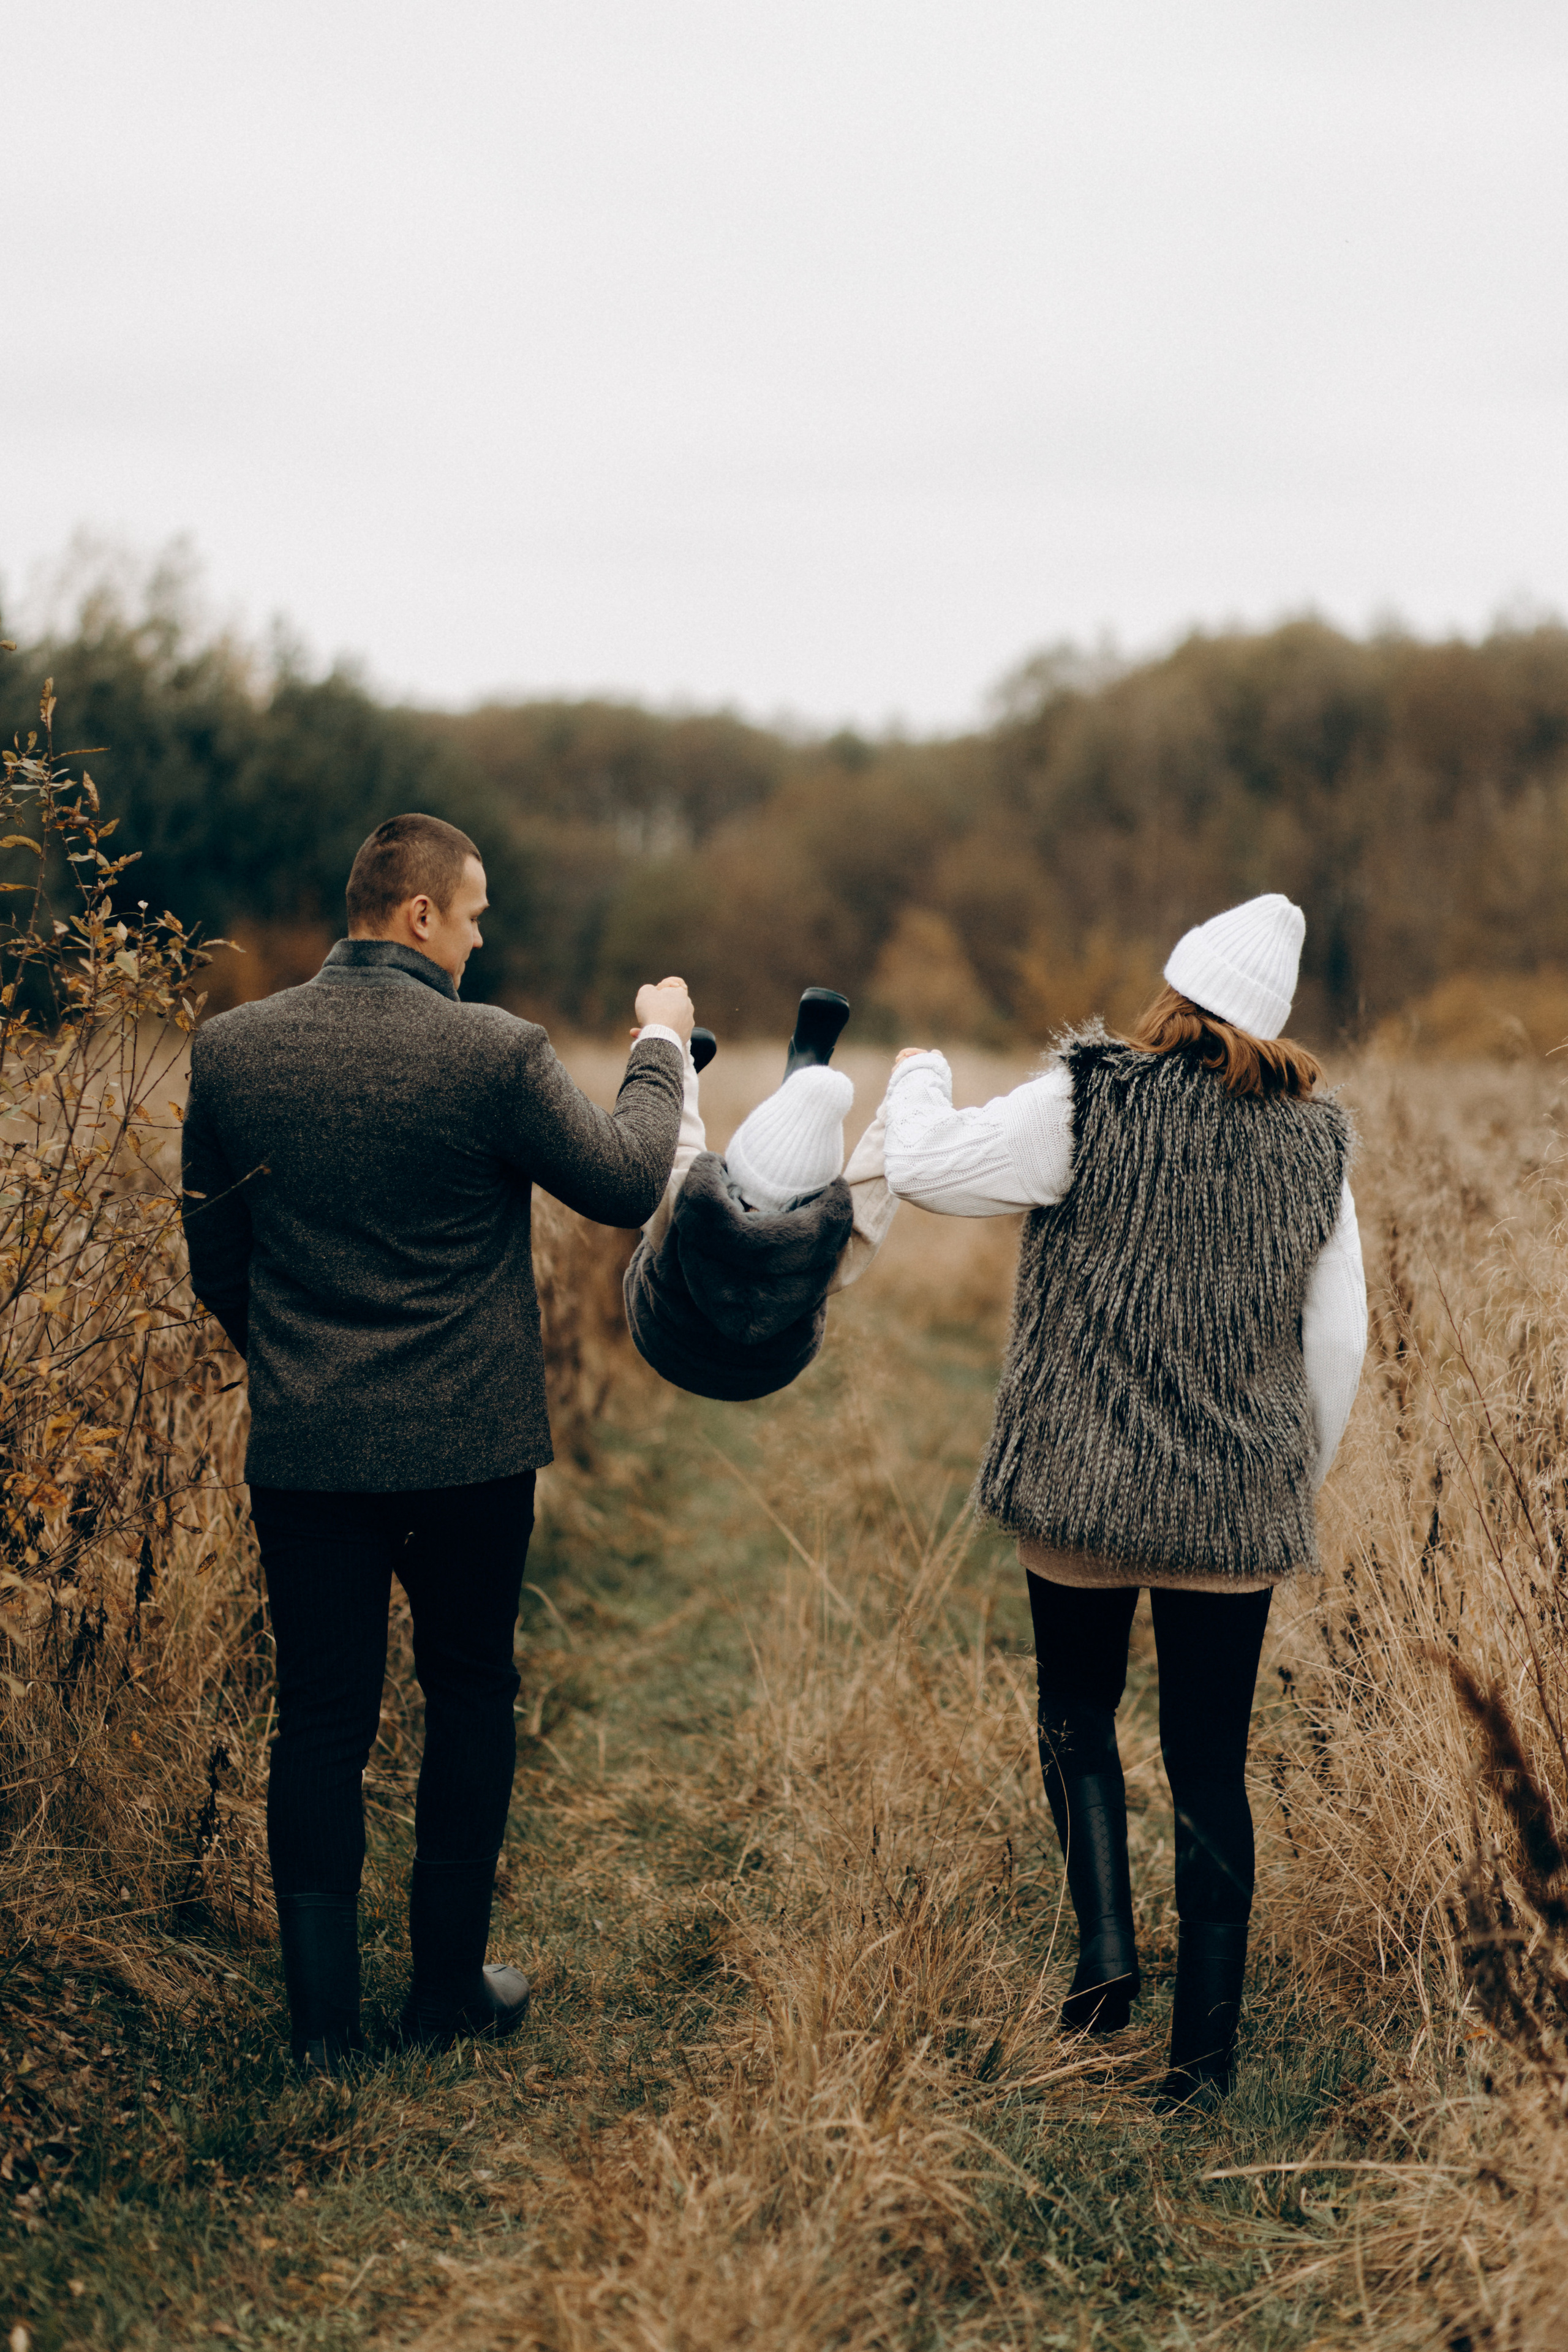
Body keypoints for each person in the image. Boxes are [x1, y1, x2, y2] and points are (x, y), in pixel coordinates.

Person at [181, 812, 690, 2073]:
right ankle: (447, 1990)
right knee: (467, 1692)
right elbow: (627, 1179)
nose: (475, 939)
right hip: (469, 1451)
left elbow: (214, 1260)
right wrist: (661, 1047)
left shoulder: (232, 1051)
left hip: (308, 1453)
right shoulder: (494, 1055)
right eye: (469, 916)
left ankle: (320, 2032)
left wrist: (301, 1369)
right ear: (417, 914)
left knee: (319, 1722)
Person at [879, 894, 1367, 2111]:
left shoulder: (1081, 1100)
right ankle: (1199, 2064)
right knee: (1207, 1768)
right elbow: (1340, 1341)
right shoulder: (1319, 1145)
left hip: (1076, 1487)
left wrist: (918, 1078)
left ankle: (1104, 1954)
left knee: (1074, 1711)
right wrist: (1281, 1479)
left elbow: (923, 1170)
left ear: (1171, 993)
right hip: (1230, 1504)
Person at [624, 989, 897, 1401]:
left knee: (669, 1172)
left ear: (734, 1162)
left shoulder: (688, 1207)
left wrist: (669, 1049)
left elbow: (673, 1140)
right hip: (772, 1368)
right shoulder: (827, 1246)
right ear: (819, 1195)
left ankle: (689, 1071)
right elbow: (872, 1198)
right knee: (837, 1236)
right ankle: (805, 1065)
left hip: (664, 1337)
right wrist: (900, 1109)